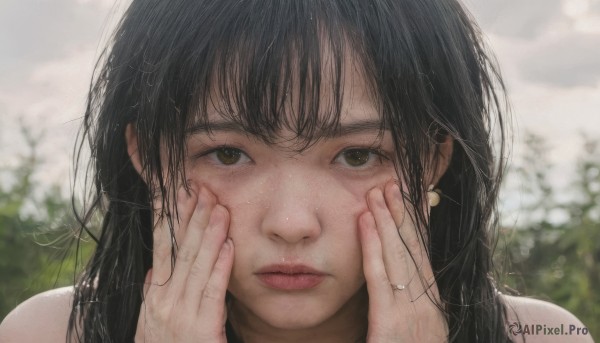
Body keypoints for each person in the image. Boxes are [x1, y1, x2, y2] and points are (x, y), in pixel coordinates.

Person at [0, 0, 593, 342]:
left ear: (434, 161)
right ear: (146, 157)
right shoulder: (50, 334)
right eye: (227, 153)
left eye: (357, 155)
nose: (290, 223)